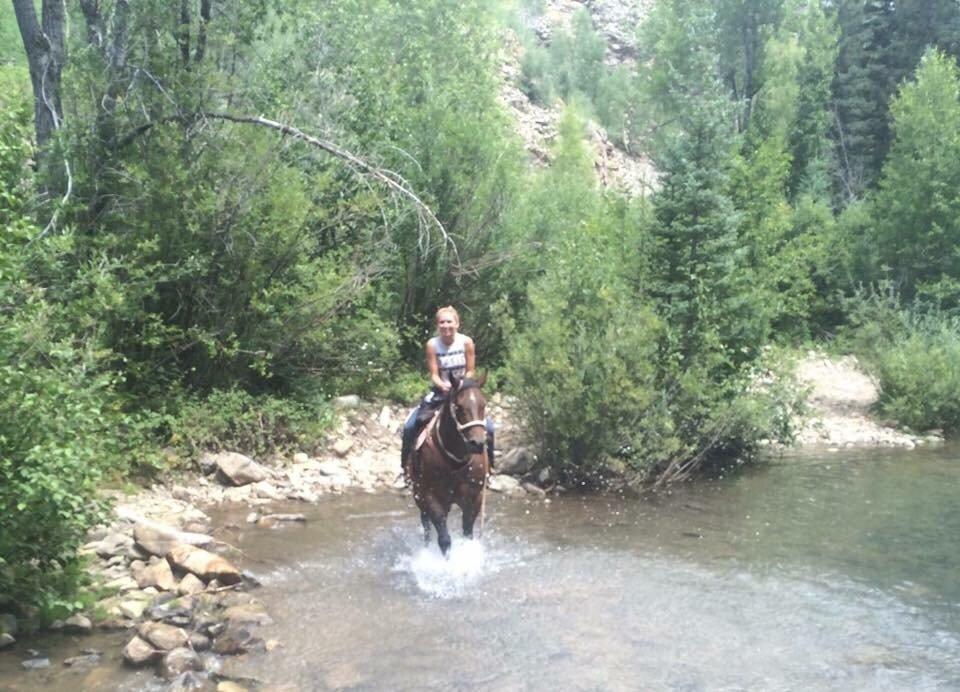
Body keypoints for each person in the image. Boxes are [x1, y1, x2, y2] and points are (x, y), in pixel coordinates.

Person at [401, 306, 494, 470]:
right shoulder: (432, 344)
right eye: (442, 322)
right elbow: (434, 374)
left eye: (449, 321)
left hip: (463, 389)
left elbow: (471, 370)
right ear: (438, 325)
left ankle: (490, 468)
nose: (446, 326)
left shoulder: (466, 342)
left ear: (457, 324)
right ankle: (406, 469)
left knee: (490, 428)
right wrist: (443, 385)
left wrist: (461, 384)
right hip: (441, 390)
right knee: (410, 426)